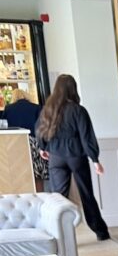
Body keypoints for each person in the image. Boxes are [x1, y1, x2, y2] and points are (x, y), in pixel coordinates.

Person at [35, 74, 110, 240]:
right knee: (86, 194)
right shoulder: (78, 110)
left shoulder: (48, 109)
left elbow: (40, 130)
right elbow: (86, 136)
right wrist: (95, 159)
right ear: (73, 89)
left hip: (56, 157)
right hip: (76, 156)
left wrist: (43, 147)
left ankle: (57, 234)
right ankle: (101, 232)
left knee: (58, 197)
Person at [3, 88, 46, 188]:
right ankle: (39, 192)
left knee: (20, 171)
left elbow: (4, 125)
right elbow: (42, 126)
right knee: (37, 173)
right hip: (34, 143)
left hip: (16, 143)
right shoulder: (36, 107)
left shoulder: (9, 108)